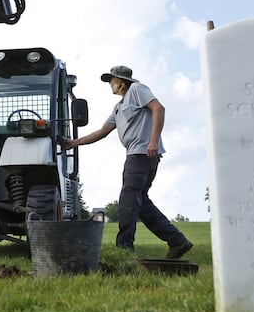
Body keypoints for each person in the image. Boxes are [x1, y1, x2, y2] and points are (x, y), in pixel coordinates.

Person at [63, 65, 193, 259]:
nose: (110, 84)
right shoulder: (118, 108)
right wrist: (74, 143)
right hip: (136, 155)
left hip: (142, 154)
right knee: (140, 203)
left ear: (121, 82)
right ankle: (177, 241)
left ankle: (123, 249)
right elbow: (102, 132)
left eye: (111, 80)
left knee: (128, 199)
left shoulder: (137, 90)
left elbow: (159, 108)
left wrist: (154, 141)